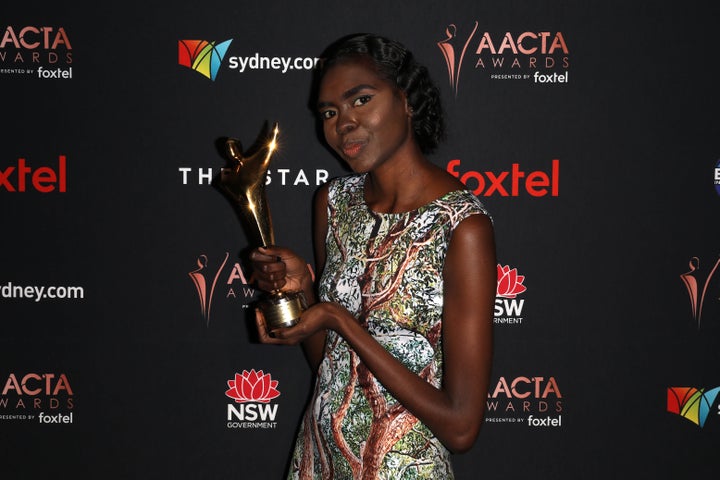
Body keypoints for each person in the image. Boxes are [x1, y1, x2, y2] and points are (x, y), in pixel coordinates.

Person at [250, 33, 496, 479]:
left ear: (408, 100)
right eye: (329, 112)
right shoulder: (333, 204)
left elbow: (461, 429)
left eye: (360, 100)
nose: (343, 123)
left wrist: (339, 319)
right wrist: (303, 296)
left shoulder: (462, 226)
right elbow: (331, 367)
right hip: (317, 463)